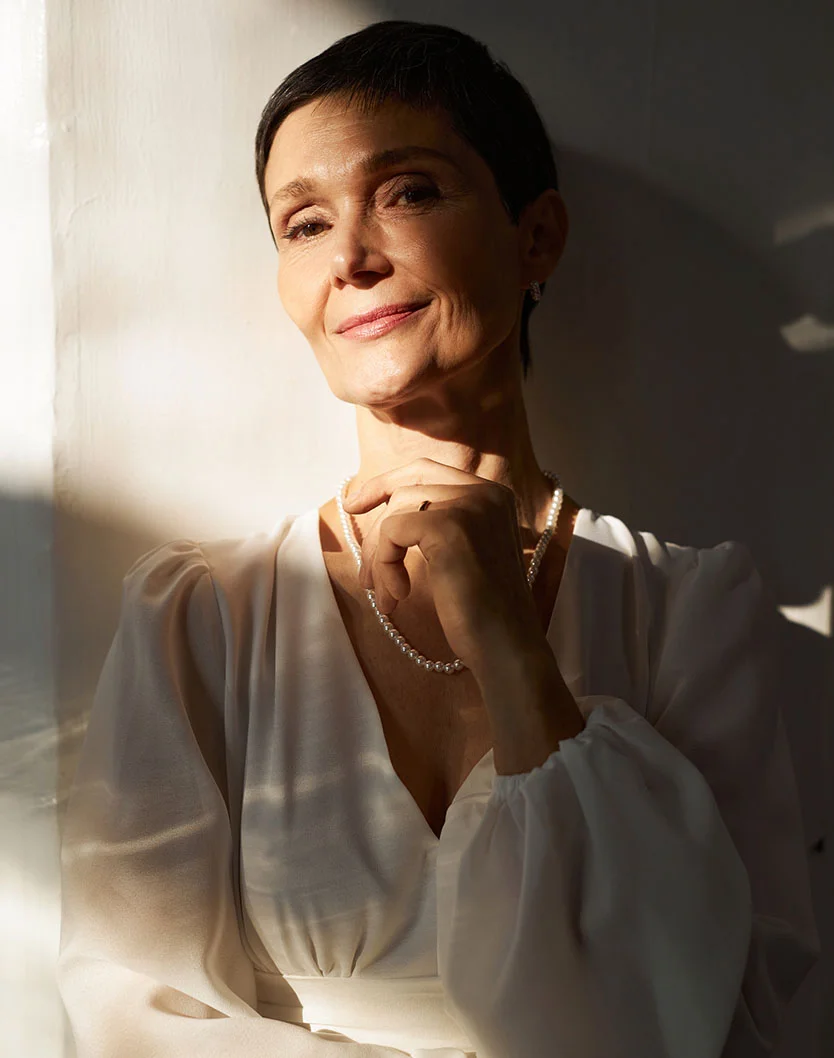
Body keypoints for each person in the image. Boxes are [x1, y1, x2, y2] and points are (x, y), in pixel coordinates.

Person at [56, 20, 820, 1058]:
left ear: (535, 236)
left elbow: (749, 1019)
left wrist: (511, 648)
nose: (353, 258)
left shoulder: (687, 608)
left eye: (408, 191)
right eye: (304, 222)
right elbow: (125, 1010)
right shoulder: (203, 618)